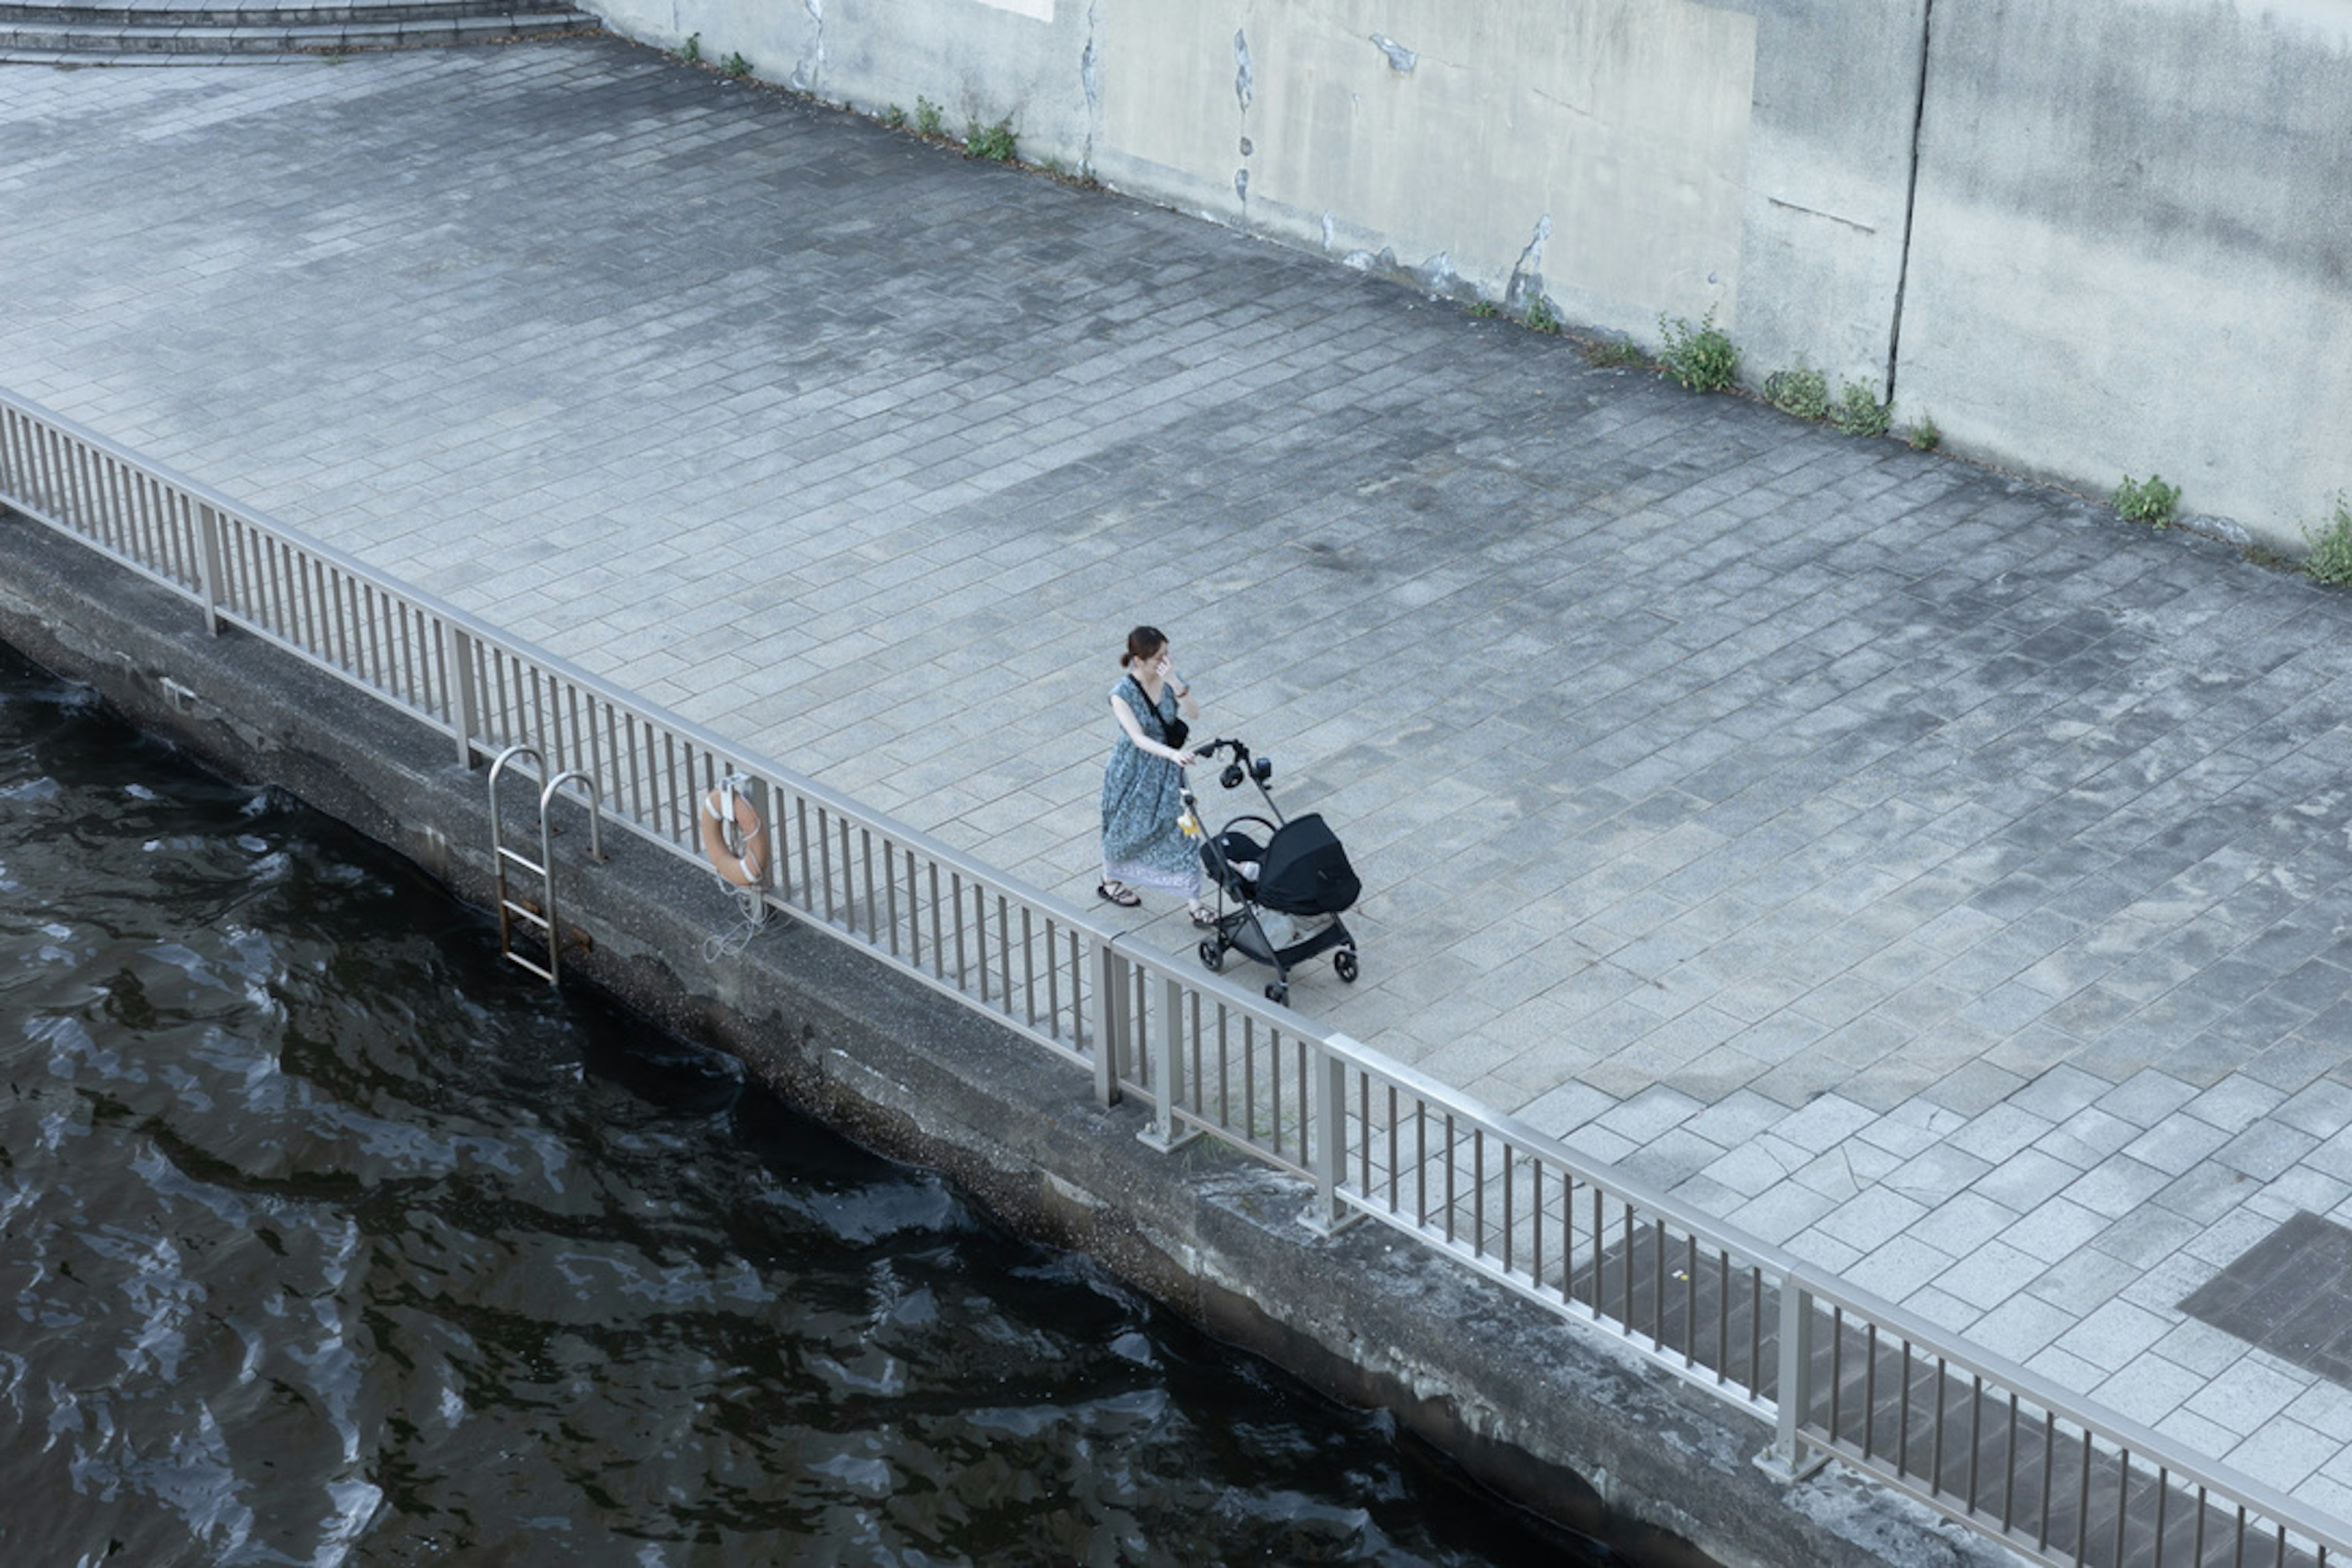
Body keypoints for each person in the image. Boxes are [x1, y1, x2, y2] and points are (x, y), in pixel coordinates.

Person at [1098, 625, 1215, 926]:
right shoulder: (1121, 694)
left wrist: (1175, 682)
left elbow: (1194, 712)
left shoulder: (1168, 678)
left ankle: (1195, 904)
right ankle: (1110, 880)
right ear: (1139, 660)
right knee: (1123, 830)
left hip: (1168, 772)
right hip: (1133, 771)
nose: (1164, 661)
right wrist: (1173, 754)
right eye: (1158, 657)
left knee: (1185, 831)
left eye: (1166, 654)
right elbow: (1137, 738)